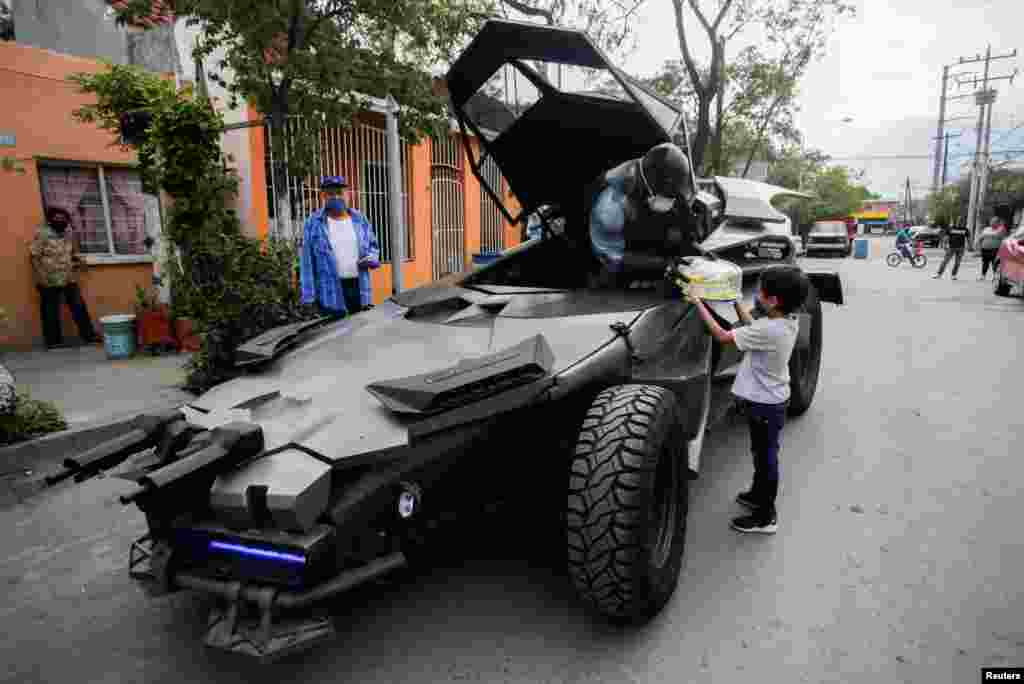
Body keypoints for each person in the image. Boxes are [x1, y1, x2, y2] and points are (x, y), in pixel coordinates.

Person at [687, 267, 809, 534]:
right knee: (761, 453)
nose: (756, 296)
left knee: (766, 459)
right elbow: (753, 327)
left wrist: (697, 301)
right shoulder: (785, 320)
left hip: (765, 404)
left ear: (773, 300)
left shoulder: (770, 331)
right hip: (771, 401)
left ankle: (766, 517)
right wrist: (734, 301)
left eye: (760, 292)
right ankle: (757, 495)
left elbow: (722, 335)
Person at [586, 142, 700, 287]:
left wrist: (693, 248)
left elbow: (684, 220)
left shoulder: (666, 177)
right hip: (614, 268)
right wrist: (664, 264)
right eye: (666, 195)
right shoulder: (611, 201)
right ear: (649, 187)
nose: (671, 201)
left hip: (649, 252)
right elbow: (609, 257)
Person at [299, 175, 381, 316]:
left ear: (347, 194)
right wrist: (309, 298)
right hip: (329, 292)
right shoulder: (313, 223)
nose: (336, 197)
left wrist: (372, 258)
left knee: (360, 334)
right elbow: (307, 262)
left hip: (359, 289)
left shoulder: (360, 219)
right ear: (323, 196)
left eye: (339, 192)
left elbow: (373, 246)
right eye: (330, 193)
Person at [29, 207, 99, 349]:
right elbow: (34, 256)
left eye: (63, 218)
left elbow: (72, 252)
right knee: (50, 311)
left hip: (68, 277)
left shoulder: (68, 234)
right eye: (57, 218)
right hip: (48, 279)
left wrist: (81, 260)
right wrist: (40, 276)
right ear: (50, 219)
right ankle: (54, 342)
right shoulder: (43, 234)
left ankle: (89, 336)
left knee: (79, 307)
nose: (61, 221)